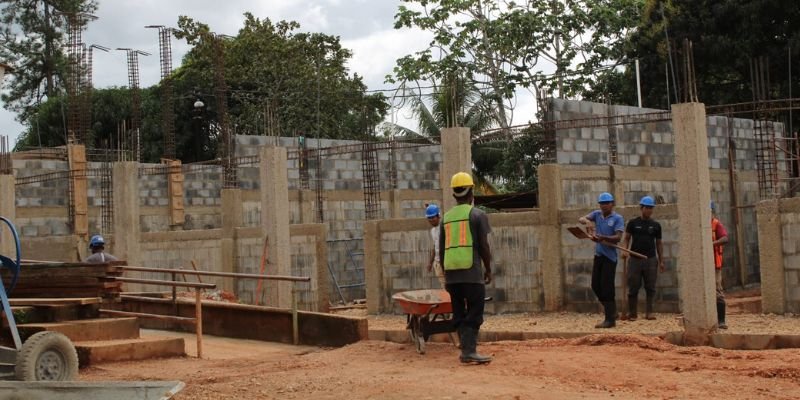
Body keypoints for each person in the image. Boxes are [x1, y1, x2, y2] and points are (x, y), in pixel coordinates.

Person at [439, 172, 492, 364]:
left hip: (452, 274)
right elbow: (484, 246)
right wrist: (488, 268)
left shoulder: (445, 217)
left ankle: (466, 350)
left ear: (454, 194)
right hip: (472, 273)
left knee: (459, 312)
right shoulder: (477, 215)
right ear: (472, 192)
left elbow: (442, 248)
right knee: (475, 311)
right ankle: (469, 351)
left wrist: (445, 275)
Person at [578, 192, 625, 328]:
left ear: (612, 204)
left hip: (610, 258)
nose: (604, 206)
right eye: (602, 203)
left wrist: (603, 238)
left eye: (607, 203)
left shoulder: (617, 218)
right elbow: (581, 219)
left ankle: (610, 320)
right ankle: (612, 311)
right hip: (599, 256)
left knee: (607, 287)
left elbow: (618, 237)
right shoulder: (596, 215)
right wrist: (587, 221)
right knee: (595, 285)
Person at [621, 196, 664, 321]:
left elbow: (659, 243)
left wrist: (661, 260)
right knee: (633, 286)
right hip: (635, 259)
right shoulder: (633, 223)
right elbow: (627, 238)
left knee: (650, 287)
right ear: (641, 208)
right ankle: (633, 313)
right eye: (647, 208)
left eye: (651, 208)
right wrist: (625, 250)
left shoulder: (656, 225)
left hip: (650, 260)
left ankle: (649, 312)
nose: (649, 210)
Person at [711, 201, 729, 329]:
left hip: (714, 265)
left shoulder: (716, 224)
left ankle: (721, 320)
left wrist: (711, 243)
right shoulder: (698, 225)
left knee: (718, 292)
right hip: (702, 266)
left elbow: (725, 238)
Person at [425, 204, 445, 288]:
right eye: (429, 218)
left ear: (438, 216)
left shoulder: (443, 228)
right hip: (437, 263)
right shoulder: (432, 231)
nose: (431, 220)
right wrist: (430, 262)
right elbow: (435, 247)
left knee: (449, 287)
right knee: (443, 285)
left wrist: (444, 265)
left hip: (445, 263)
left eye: (433, 217)